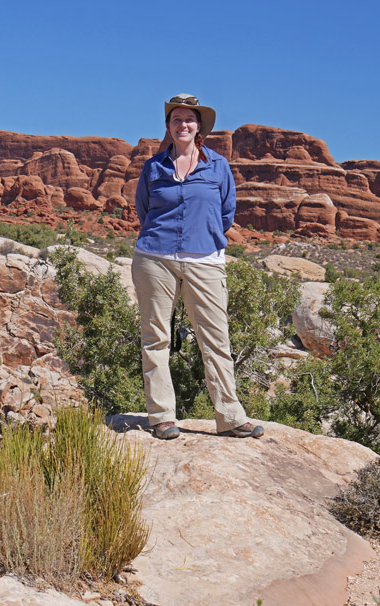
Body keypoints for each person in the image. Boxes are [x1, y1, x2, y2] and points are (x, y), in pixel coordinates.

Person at [132, 93, 264, 441]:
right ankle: (162, 417)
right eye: (176, 119)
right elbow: (144, 212)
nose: (183, 125)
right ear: (169, 127)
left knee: (215, 339)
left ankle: (230, 416)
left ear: (199, 126)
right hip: (155, 258)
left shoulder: (217, 166)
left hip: (204, 260)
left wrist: (199, 237)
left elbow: (226, 214)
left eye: (189, 119)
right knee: (155, 339)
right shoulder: (154, 167)